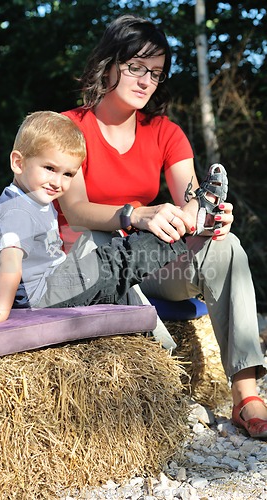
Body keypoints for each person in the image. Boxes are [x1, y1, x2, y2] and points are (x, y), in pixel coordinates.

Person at [56, 15, 267, 439]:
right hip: (89, 265)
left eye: (155, 72)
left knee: (228, 248)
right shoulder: (69, 127)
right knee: (107, 236)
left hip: (149, 267)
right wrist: (135, 214)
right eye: (136, 67)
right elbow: (75, 208)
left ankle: (246, 395)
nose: (145, 80)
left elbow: (191, 199)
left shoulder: (165, 133)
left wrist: (208, 217)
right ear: (110, 64)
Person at [0, 110, 194, 327]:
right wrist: (0, 310)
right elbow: (10, 262)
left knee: (103, 254)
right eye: (49, 168)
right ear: (18, 162)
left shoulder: (32, 198)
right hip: (43, 294)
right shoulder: (15, 212)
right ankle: (179, 228)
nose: (58, 182)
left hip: (51, 281)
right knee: (114, 263)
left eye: (68, 174)